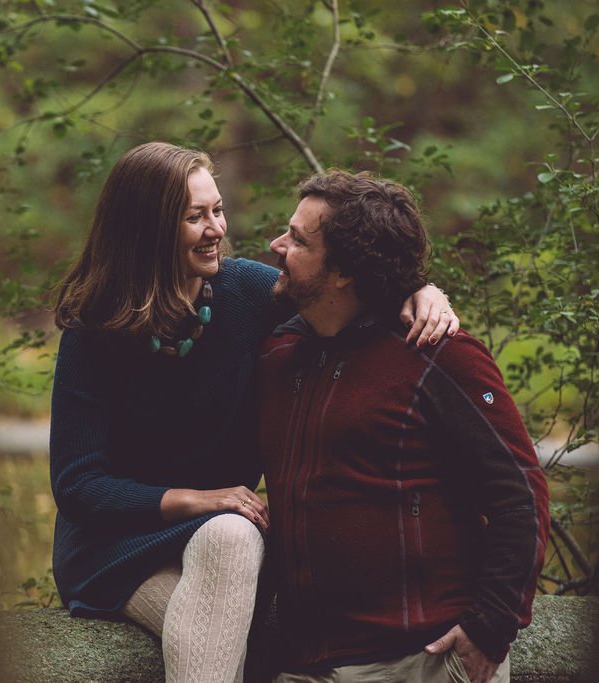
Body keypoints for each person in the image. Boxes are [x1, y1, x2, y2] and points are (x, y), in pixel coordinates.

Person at [48, 143, 458, 682]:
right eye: (194, 217)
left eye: (217, 210)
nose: (216, 228)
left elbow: (345, 293)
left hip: (225, 544)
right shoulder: (95, 327)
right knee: (233, 563)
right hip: (116, 546)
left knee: (231, 542)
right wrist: (197, 499)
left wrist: (421, 292)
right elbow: (78, 485)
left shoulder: (249, 293)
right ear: (147, 228)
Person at [258, 170, 550, 683]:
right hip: (306, 664)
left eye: (298, 240)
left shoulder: (439, 355)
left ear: (344, 272)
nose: (277, 246)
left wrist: (491, 627)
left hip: (422, 661)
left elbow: (520, 495)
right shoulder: (281, 352)